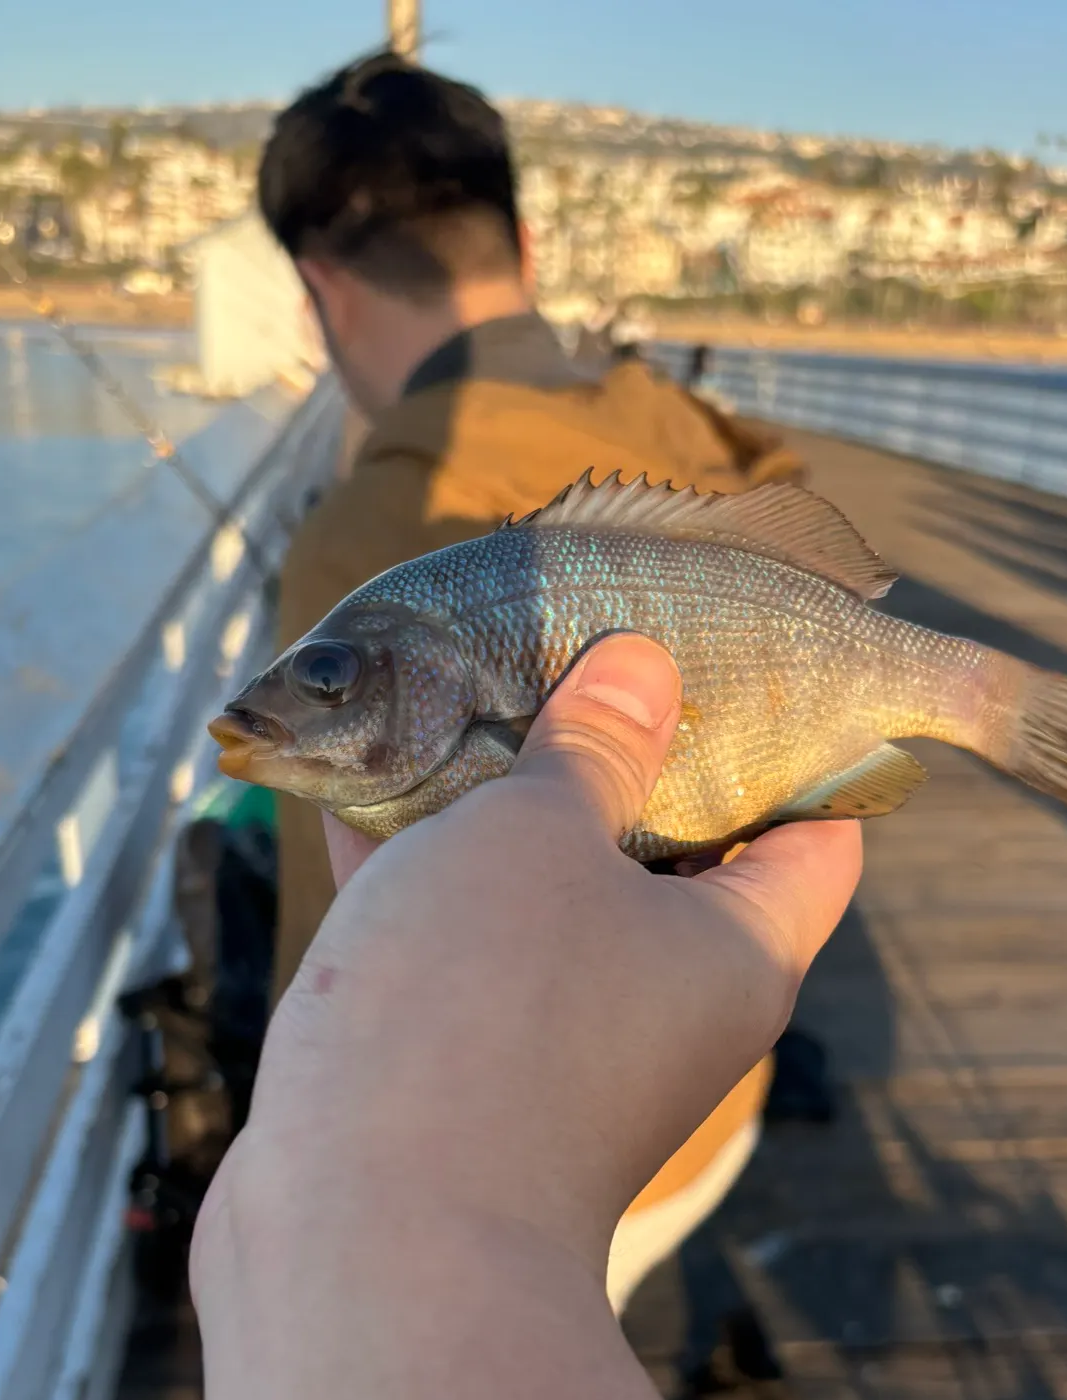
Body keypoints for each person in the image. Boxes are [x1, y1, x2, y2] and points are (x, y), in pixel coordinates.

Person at [255, 49, 808, 1317]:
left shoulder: (369, 539)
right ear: (527, 240)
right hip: (718, 1094)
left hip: (516, 1171)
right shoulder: (706, 445)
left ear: (322, 289)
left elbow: (334, 934)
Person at [191, 632, 863, 1400]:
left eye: (327, 676)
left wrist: (334, 1205)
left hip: (369, 1157)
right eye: (328, 675)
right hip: (677, 1139)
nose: (309, 691)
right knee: (597, 1295)